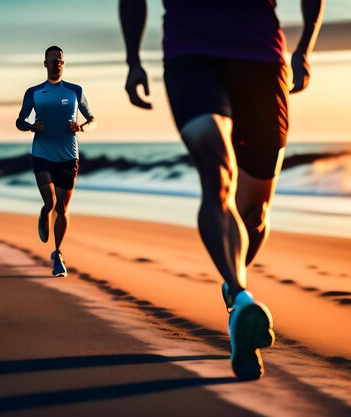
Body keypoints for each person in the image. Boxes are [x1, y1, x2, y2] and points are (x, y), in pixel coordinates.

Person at [120, 0, 324, 380]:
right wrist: (132, 59)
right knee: (218, 174)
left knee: (256, 213)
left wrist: (305, 49)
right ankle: (242, 296)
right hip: (191, 57)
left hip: (262, 58)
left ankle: (235, 299)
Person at [16, 45, 96, 277]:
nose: (56, 64)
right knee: (50, 202)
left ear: (63, 63)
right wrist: (31, 126)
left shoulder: (75, 90)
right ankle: (44, 210)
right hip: (41, 152)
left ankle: (58, 254)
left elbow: (93, 120)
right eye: (52, 61)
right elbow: (20, 120)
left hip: (69, 155)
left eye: (59, 61)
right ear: (45, 64)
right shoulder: (34, 92)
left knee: (62, 208)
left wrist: (81, 127)